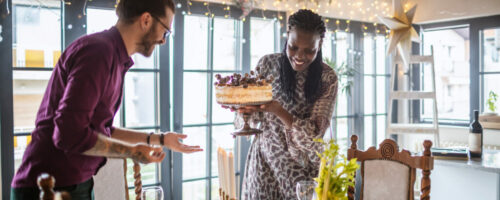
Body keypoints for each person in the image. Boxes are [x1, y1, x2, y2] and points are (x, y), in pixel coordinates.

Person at [11, 0, 202, 199]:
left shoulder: (113, 56)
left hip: (76, 183)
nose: (164, 40)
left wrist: (160, 139)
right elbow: (69, 132)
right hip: (49, 186)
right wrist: (132, 152)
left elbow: (100, 131)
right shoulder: (98, 52)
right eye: (165, 31)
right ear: (146, 20)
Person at [233, 9, 338, 199]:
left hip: (301, 174)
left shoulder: (327, 77)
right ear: (287, 36)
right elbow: (249, 120)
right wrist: (245, 111)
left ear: (320, 44)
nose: (299, 56)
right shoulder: (267, 64)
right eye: (293, 47)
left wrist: (278, 110)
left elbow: (314, 136)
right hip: (263, 166)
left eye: (309, 50)